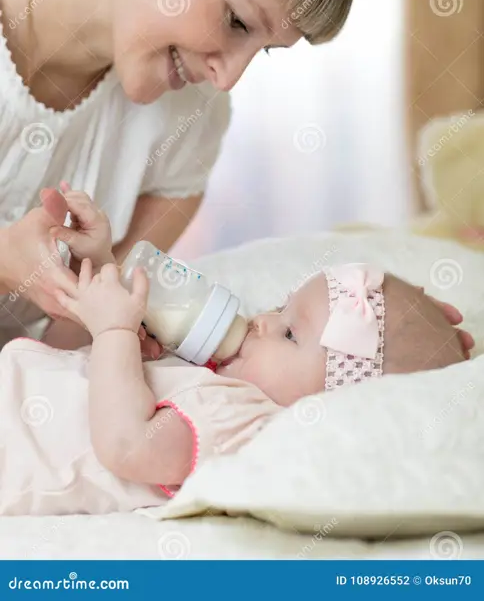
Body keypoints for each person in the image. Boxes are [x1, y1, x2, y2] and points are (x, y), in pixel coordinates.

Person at [0, 0, 358, 345]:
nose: (227, 77)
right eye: (237, 21)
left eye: (264, 47)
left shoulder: (193, 118)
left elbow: (68, 351)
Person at [0, 187, 473, 516]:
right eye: (281, 307)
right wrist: (102, 264)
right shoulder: (226, 380)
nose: (263, 320)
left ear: (330, 402)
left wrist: (114, 331)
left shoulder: (243, 421)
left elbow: (128, 446)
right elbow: (119, 365)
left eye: (289, 333)